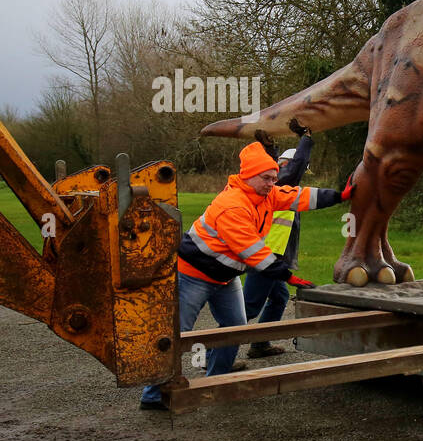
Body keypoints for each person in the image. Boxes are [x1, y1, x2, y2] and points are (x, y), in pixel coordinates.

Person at [139, 142, 349, 410]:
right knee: (178, 333)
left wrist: (340, 195)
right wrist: (288, 276)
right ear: (248, 175)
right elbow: (254, 252)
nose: (272, 183)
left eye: (274, 178)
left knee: (235, 328)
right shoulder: (232, 205)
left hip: (226, 277)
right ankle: (153, 395)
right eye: (266, 178)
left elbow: (298, 196)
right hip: (192, 275)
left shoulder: (266, 195)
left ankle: (216, 382)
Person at [244, 129, 314, 358]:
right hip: (265, 255)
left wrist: (269, 146)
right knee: (248, 307)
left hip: (274, 255)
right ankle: (214, 353)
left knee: (279, 297)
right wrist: (307, 138)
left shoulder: (277, 184)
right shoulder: (281, 182)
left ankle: (260, 344)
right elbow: (297, 165)